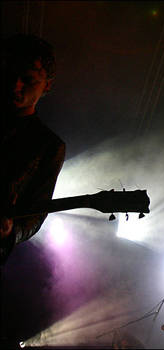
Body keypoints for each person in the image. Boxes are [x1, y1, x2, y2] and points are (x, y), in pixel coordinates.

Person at [1, 34, 66, 264]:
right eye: (11, 75)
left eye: (28, 79)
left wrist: (10, 230)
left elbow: (35, 217)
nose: (15, 85)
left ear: (47, 85)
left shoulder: (49, 146)